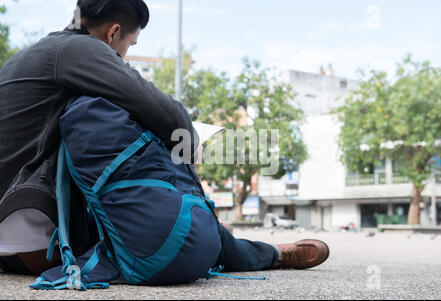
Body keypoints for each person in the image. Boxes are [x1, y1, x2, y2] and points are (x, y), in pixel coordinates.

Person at [0, 0, 329, 277]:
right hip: (32, 237)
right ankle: (255, 251)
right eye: (129, 45)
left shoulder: (38, 54)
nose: (125, 56)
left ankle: (236, 245)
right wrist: (191, 141)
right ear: (113, 32)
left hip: (15, 227)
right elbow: (164, 111)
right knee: (163, 232)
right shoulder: (79, 50)